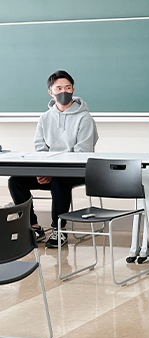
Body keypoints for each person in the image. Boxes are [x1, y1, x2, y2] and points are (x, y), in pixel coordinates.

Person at [8, 70, 98, 248]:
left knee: (59, 181)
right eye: (58, 88)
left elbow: (83, 152)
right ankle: (33, 226)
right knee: (16, 181)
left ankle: (59, 229)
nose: (63, 91)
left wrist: (53, 172)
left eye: (67, 87)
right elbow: (41, 148)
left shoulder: (85, 118)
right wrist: (43, 171)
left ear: (73, 89)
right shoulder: (44, 118)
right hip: (50, 171)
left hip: (76, 171)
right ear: (51, 92)